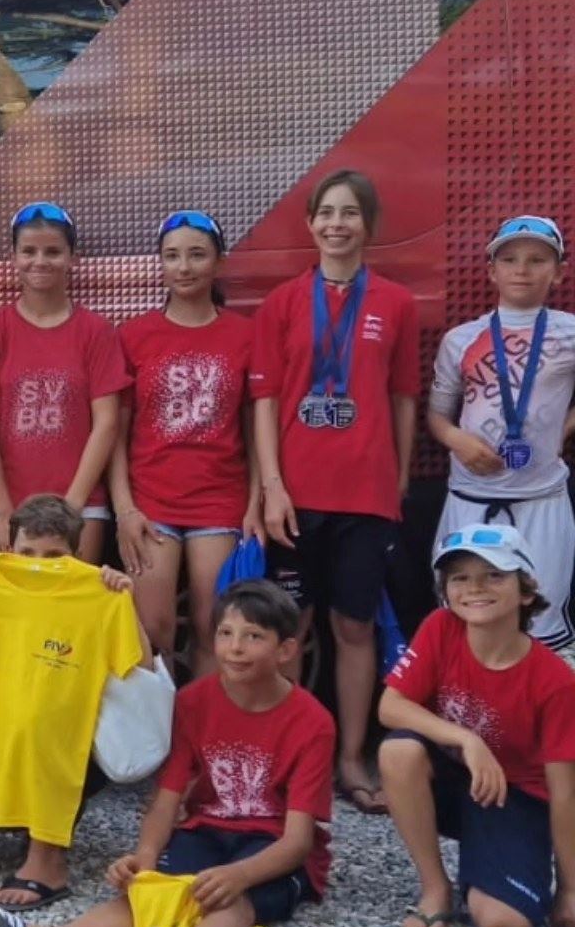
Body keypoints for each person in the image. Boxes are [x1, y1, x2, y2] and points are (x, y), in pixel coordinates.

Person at [0, 579, 334, 927]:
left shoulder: (313, 722)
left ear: (286, 650)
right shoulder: (194, 701)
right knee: (146, 894)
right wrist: (144, 859)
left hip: (271, 847)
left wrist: (239, 875)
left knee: (231, 903)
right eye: (226, 633)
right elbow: (167, 799)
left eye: (254, 637)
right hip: (207, 830)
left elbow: (298, 841)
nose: (235, 648)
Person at [252, 168, 419, 813]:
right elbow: (266, 402)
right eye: (326, 212)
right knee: (289, 628)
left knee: (354, 626)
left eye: (350, 213)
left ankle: (351, 758)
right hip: (295, 495)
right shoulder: (282, 302)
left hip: (365, 494)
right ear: (310, 223)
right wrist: (271, 487)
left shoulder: (396, 303)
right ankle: (294, 758)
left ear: (368, 225)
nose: (337, 224)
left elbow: (403, 397)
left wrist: (396, 480)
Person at [0, 494, 151, 910]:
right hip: (1, 744)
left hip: (68, 746)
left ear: (77, 557)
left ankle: (48, 860)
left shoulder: (95, 593)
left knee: (46, 726)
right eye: (27, 553)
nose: (38, 564)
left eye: (53, 556)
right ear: (8, 549)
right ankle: (34, 816)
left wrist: (124, 601)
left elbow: (140, 671)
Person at [379, 525, 575, 927]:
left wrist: (569, 888)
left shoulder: (555, 680)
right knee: (399, 750)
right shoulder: (441, 627)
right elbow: (390, 706)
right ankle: (436, 887)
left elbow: (564, 792)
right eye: (460, 577)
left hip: (515, 796)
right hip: (454, 778)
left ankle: (490, 864)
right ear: (446, 590)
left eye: (494, 575)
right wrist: (468, 740)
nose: (474, 588)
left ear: (526, 591)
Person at [111, 210, 260, 676]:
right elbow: (115, 434)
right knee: (152, 629)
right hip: (151, 498)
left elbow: (255, 431)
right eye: (172, 256)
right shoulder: (133, 336)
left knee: (213, 625)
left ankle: (204, 719)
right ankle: (161, 722)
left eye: (197, 255)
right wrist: (124, 509)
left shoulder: (245, 335)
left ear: (219, 262)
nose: (184, 267)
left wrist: (255, 502)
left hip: (219, 498)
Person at [426, 215, 575, 656]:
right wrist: (458, 440)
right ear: (491, 271)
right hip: (471, 499)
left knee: (543, 622)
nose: (522, 270)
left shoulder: (569, 332)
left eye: (536, 260)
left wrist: (564, 428)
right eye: (509, 260)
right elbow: (437, 417)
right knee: (462, 617)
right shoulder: (461, 339)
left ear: (559, 272)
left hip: (541, 500)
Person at [0, 202, 127, 563]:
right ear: (13, 257)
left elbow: (106, 424)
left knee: (68, 598)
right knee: (0, 598)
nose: (40, 261)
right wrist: (2, 508)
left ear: (72, 258)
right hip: (0, 499)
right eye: (29, 251)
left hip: (78, 501)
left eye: (53, 252)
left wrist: (71, 509)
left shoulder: (97, 331)